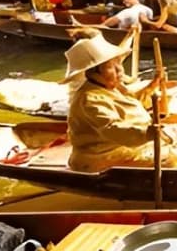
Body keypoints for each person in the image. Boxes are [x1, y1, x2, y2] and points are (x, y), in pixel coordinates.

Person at [64, 29, 168, 172]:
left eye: (118, 64)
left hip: (128, 146)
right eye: (111, 67)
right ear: (93, 72)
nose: (120, 70)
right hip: (102, 156)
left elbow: (132, 103)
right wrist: (147, 134)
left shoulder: (111, 87)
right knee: (175, 157)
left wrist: (153, 85)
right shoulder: (89, 99)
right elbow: (113, 129)